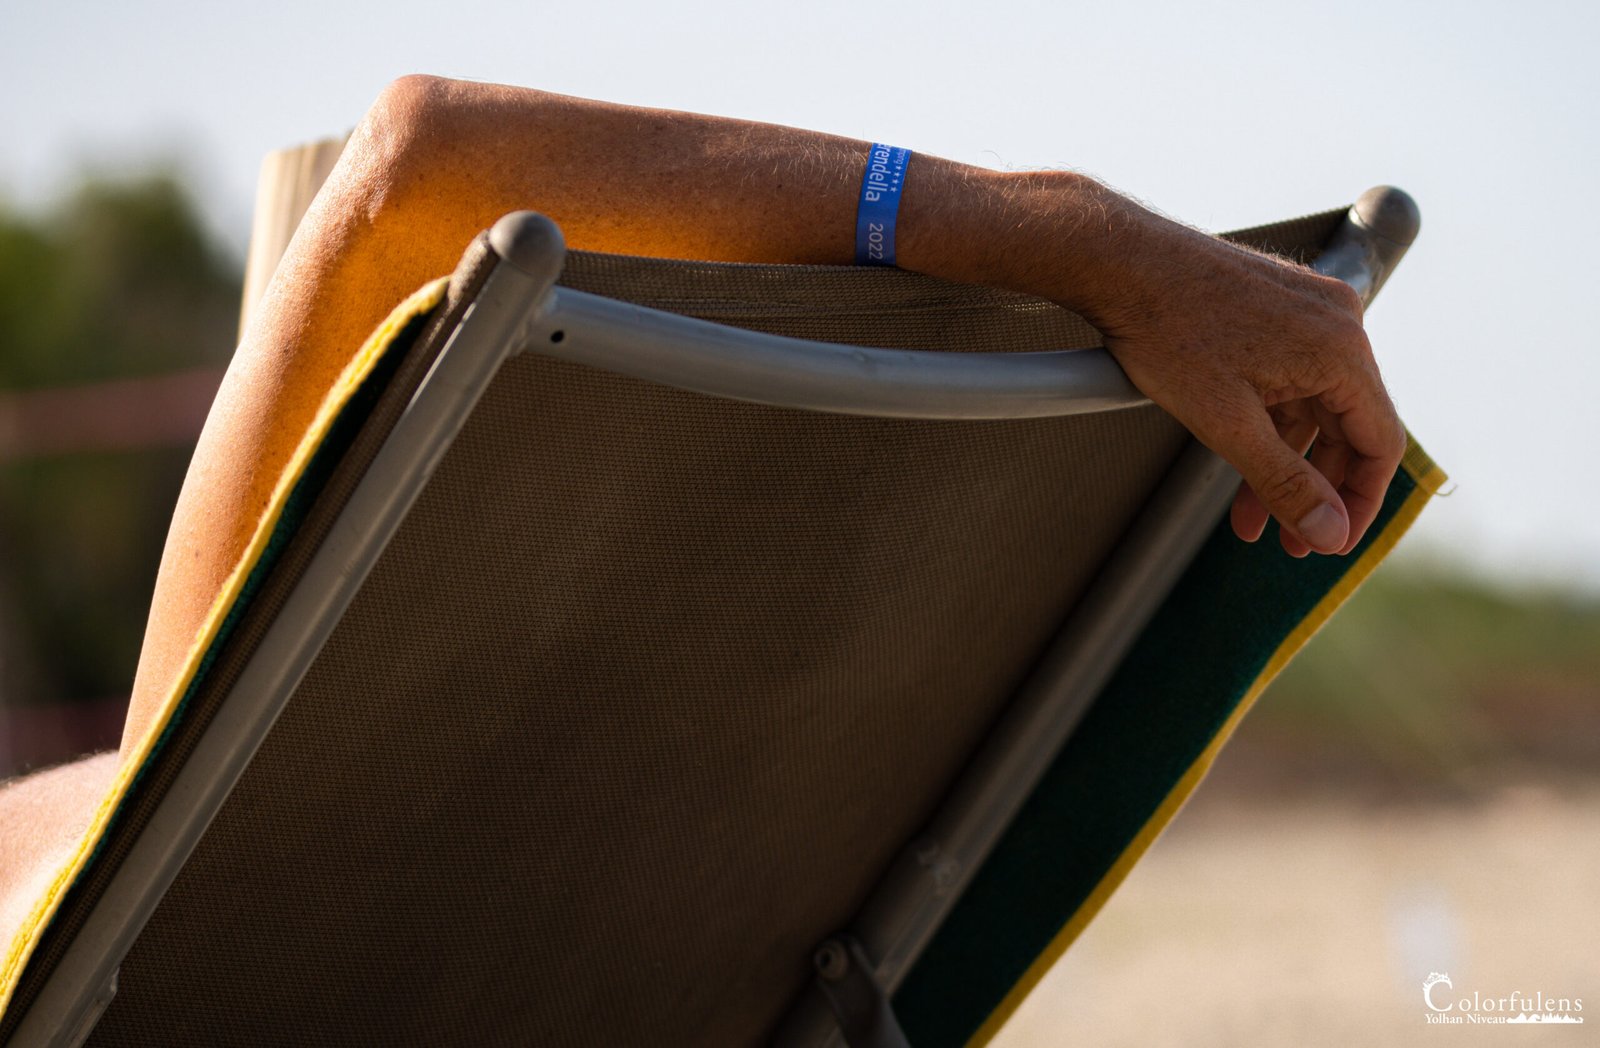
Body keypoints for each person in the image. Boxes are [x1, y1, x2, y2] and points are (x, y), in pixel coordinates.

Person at [0, 76, 1403, 942]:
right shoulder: (609, 903)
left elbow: (413, 163)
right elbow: (420, 168)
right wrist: (1072, 237)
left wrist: (1065, 231)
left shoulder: (177, 920)